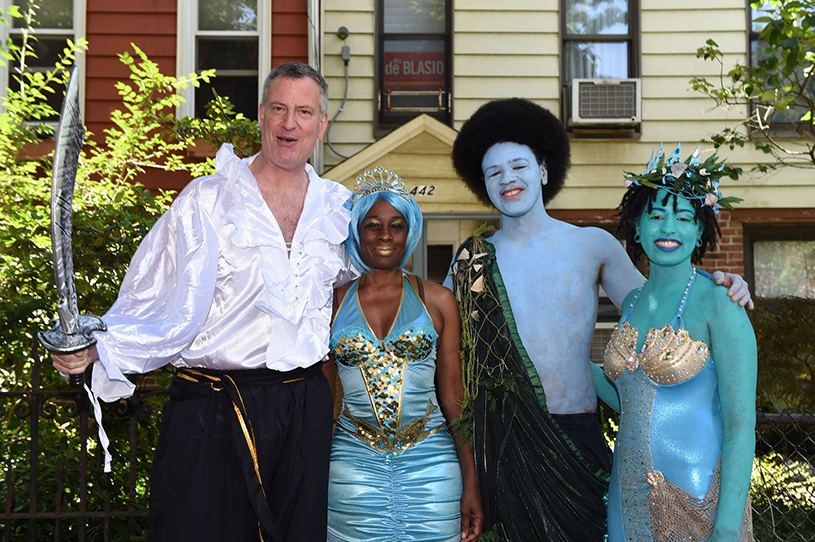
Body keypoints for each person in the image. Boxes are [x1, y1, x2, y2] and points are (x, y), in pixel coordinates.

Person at [51, 62, 353, 542]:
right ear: (260, 115)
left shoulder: (339, 209)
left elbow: (362, 295)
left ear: (322, 123)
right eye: (278, 108)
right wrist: (98, 347)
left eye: (303, 111)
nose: (289, 123)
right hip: (213, 410)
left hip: (304, 411)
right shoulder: (208, 200)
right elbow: (153, 296)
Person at [446, 99, 753, 541]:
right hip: (501, 439)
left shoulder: (594, 245)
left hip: (578, 437)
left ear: (544, 171)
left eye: (518, 166)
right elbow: (439, 340)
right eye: (494, 172)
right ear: (483, 185)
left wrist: (720, 283)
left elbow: (658, 304)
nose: (508, 179)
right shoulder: (470, 263)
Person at [596, 144, 756, 542]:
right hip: (625, 500)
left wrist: (726, 527)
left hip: (698, 502)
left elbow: (741, 426)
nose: (669, 228)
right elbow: (629, 399)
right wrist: (558, 357)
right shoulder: (632, 302)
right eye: (656, 215)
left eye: (684, 217)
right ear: (637, 226)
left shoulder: (721, 302)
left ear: (700, 229)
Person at [323, 168, 483, 542]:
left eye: (396, 226)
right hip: (350, 472)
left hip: (433, 470)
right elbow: (324, 401)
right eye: (373, 225)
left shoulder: (438, 302)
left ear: (409, 232)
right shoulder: (330, 303)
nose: (385, 236)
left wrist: (471, 481)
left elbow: (454, 398)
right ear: (357, 231)